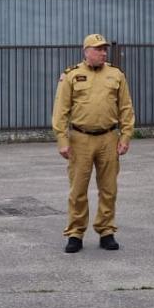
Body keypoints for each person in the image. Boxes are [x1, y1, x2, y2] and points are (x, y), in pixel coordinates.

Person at [54, 34, 135, 253]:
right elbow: (60, 110)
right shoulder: (72, 75)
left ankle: (106, 231)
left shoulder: (116, 75)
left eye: (104, 49)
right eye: (98, 49)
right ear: (86, 51)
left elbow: (126, 108)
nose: (103, 53)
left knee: (109, 189)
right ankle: (75, 233)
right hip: (80, 139)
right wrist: (62, 140)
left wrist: (125, 136)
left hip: (109, 138)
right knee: (78, 189)